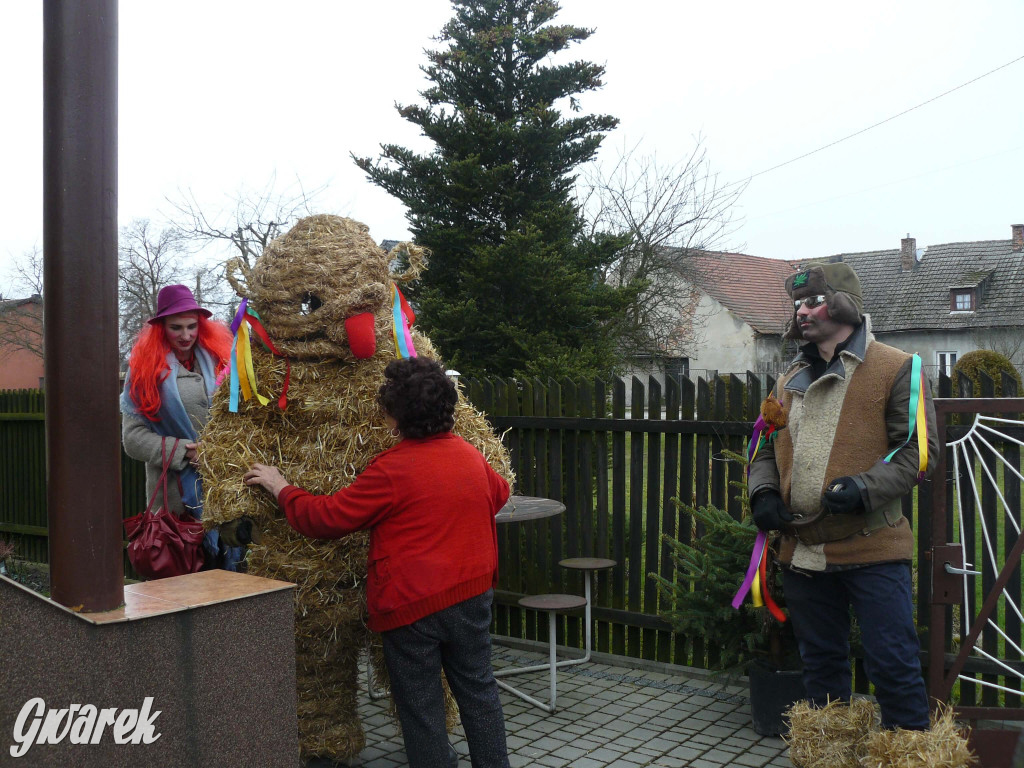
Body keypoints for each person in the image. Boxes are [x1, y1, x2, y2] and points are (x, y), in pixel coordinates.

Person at [244, 356, 512, 768]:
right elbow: (499, 494)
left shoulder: (391, 470)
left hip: (411, 609)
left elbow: (326, 518)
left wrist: (281, 487)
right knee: (479, 694)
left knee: (421, 711)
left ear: (392, 417)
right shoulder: (470, 455)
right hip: (472, 596)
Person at [747, 262, 938, 731]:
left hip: (872, 546)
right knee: (822, 669)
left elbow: (916, 453)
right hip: (805, 552)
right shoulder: (787, 377)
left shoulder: (898, 367)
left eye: (812, 301)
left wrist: (862, 488)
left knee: (892, 665)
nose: (802, 312)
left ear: (843, 304)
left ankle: (908, 757)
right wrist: (764, 492)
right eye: (797, 305)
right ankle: (832, 756)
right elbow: (764, 448)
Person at [120, 284, 244, 570]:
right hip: (176, 501)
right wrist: (185, 452)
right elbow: (132, 439)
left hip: (225, 486)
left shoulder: (219, 361)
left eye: (192, 326)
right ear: (161, 327)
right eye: (176, 327)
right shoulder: (143, 372)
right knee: (184, 582)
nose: (186, 335)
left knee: (231, 582)